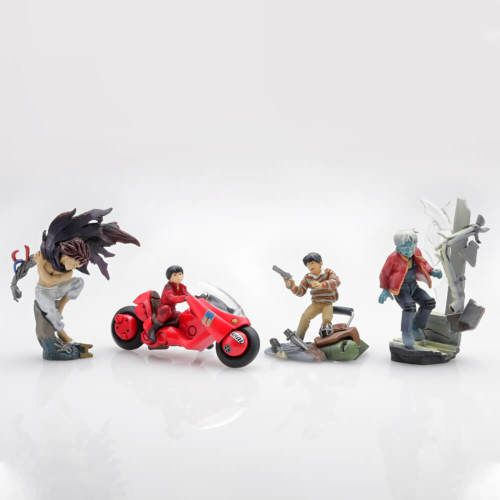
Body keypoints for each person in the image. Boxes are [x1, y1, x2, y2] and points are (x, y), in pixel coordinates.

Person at [379, 229, 442, 349]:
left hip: (413, 285)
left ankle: (415, 327)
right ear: (397, 246)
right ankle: (406, 333)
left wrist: (432, 271)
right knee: (409, 307)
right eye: (405, 248)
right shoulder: (393, 258)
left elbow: (423, 263)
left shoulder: (416, 252)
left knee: (429, 302)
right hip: (400, 289)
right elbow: (384, 274)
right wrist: (385, 289)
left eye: (411, 247)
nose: (409, 250)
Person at [284, 252, 340, 339]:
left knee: (326, 320)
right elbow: (300, 292)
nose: (310, 266)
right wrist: (291, 286)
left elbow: (336, 281)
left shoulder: (328, 272)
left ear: (320, 263)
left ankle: (326, 337)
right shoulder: (307, 278)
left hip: (327, 303)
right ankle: (298, 337)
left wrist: (322, 285)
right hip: (316, 303)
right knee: (305, 317)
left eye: (312, 263)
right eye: (308, 265)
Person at [146, 265, 188, 343]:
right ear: (169, 277)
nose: (178, 277)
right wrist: (184, 297)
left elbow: (188, 295)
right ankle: (153, 329)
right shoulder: (168, 287)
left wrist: (198, 298)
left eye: (180, 274)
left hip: (172, 311)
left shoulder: (182, 287)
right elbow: (172, 298)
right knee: (166, 309)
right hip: (163, 310)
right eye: (175, 275)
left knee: (182, 316)